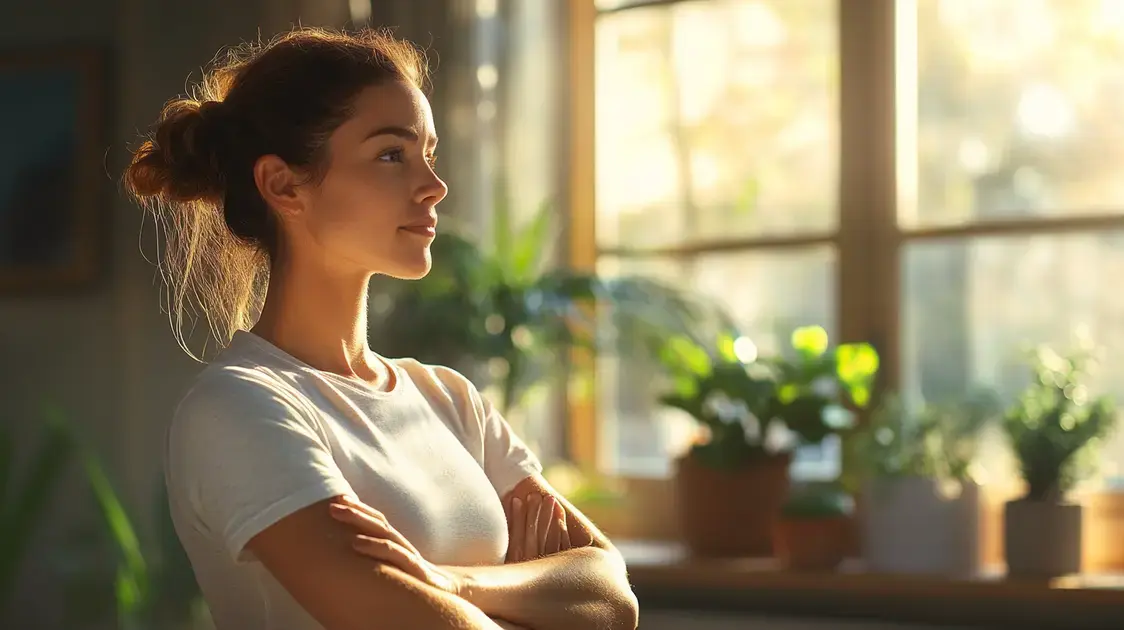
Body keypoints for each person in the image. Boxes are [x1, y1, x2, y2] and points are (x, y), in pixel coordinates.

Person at [123, 26, 638, 630]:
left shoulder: (451, 401)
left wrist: (443, 579)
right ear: (283, 185)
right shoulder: (240, 406)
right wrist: (534, 598)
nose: (434, 186)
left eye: (429, 155)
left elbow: (610, 595)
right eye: (392, 154)